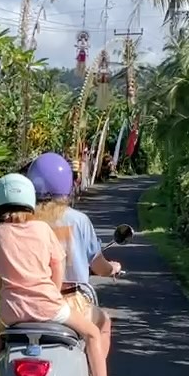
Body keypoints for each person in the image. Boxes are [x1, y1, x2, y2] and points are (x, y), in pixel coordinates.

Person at [0, 173, 120, 376]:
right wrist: (54, 295)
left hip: (11, 313)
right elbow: (57, 266)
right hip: (50, 308)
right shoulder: (43, 229)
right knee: (91, 332)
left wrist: (5, 302)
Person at [26, 151, 120, 362]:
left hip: (28, 302)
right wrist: (111, 268)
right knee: (103, 324)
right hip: (70, 301)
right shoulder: (79, 221)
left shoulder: (23, 220)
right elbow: (98, 265)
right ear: (67, 186)